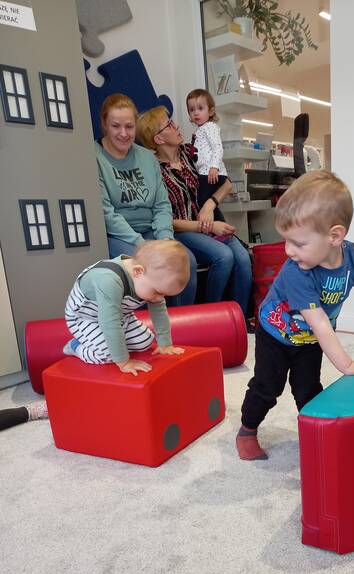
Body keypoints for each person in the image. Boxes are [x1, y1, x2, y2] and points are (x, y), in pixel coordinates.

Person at [236, 170, 354, 461]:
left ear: (335, 236)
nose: (288, 251)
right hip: (276, 333)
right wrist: (347, 364)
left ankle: (316, 433)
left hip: (310, 340)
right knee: (268, 387)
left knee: (309, 389)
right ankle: (247, 430)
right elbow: (320, 322)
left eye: (298, 243)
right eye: (286, 240)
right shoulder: (296, 272)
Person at [136, 107, 253, 321]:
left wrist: (210, 204)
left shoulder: (192, 153)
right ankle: (211, 316)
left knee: (243, 258)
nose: (176, 126)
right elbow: (164, 219)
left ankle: (241, 319)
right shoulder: (154, 169)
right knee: (224, 256)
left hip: (209, 224)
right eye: (169, 125)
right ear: (158, 139)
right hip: (182, 229)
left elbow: (226, 183)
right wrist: (206, 225)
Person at [95, 93, 195, 306]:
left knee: (184, 261)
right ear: (104, 125)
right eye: (116, 126)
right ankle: (143, 323)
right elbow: (106, 213)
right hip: (119, 235)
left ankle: (180, 320)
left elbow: (161, 205)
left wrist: (165, 239)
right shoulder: (94, 157)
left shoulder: (147, 157)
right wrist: (142, 244)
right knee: (144, 267)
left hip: (152, 231)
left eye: (129, 127)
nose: (124, 133)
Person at [63, 239, 190, 376]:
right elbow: (110, 323)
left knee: (145, 341)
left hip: (120, 314)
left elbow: (159, 311)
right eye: (158, 292)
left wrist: (165, 344)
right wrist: (123, 361)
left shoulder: (149, 278)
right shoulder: (109, 281)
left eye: (164, 294)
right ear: (138, 272)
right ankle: (76, 346)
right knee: (108, 355)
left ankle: (107, 343)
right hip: (85, 317)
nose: (160, 298)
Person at [186, 88, 229, 218]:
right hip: (206, 172)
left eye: (200, 108)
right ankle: (217, 224)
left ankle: (218, 224)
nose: (196, 113)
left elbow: (218, 147)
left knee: (202, 202)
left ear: (210, 111)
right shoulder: (201, 130)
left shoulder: (210, 127)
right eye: (192, 110)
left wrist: (214, 167)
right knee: (206, 202)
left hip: (211, 173)